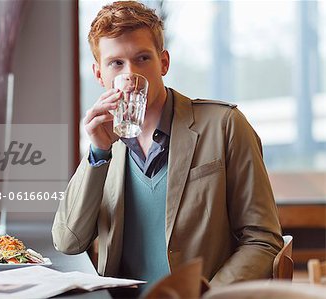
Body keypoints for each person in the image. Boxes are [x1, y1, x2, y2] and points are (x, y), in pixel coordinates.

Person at [52, 0, 283, 293]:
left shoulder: (225, 125)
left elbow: (262, 239)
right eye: (116, 63)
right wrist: (98, 154)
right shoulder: (107, 145)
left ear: (163, 63)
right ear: (99, 75)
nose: (130, 76)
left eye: (143, 59)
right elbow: (67, 241)